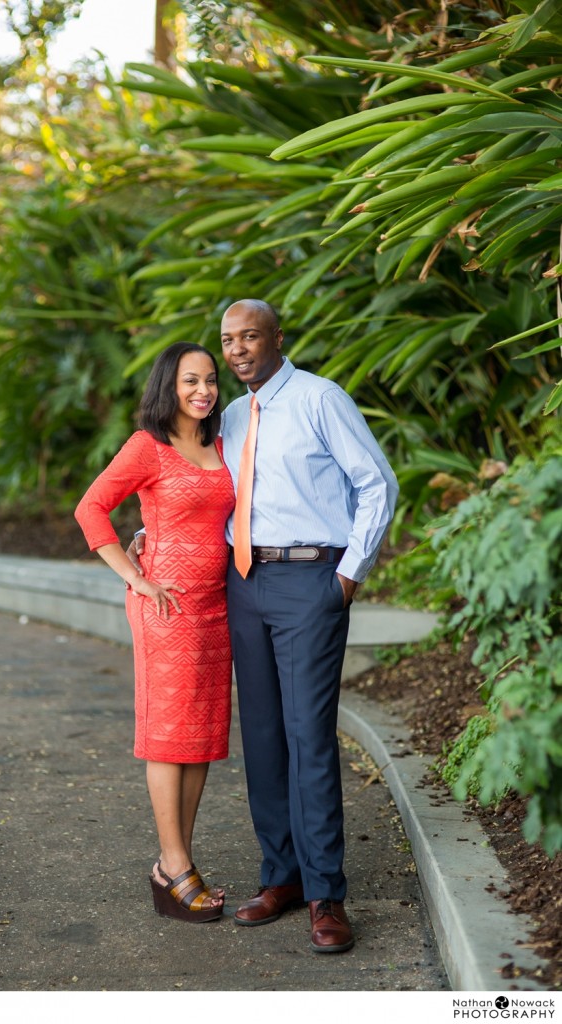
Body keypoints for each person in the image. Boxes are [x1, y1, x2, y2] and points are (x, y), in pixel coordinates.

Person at [133, 299, 399, 953]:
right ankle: (278, 877)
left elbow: (377, 482)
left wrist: (348, 574)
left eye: (250, 336)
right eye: (228, 340)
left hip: (311, 581)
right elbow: (204, 492)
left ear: (277, 338)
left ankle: (324, 894)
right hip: (242, 586)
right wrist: (153, 533)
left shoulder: (319, 399)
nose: (238, 349)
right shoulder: (222, 417)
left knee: (309, 736)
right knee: (263, 737)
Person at [74, 342, 235, 924]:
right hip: (166, 608)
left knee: (201, 737)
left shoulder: (219, 443)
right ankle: (173, 865)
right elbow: (91, 508)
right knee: (170, 736)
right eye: (191, 380)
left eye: (211, 380)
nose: (203, 391)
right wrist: (134, 576)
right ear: (169, 384)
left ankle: (177, 863)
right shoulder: (149, 446)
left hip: (217, 607)